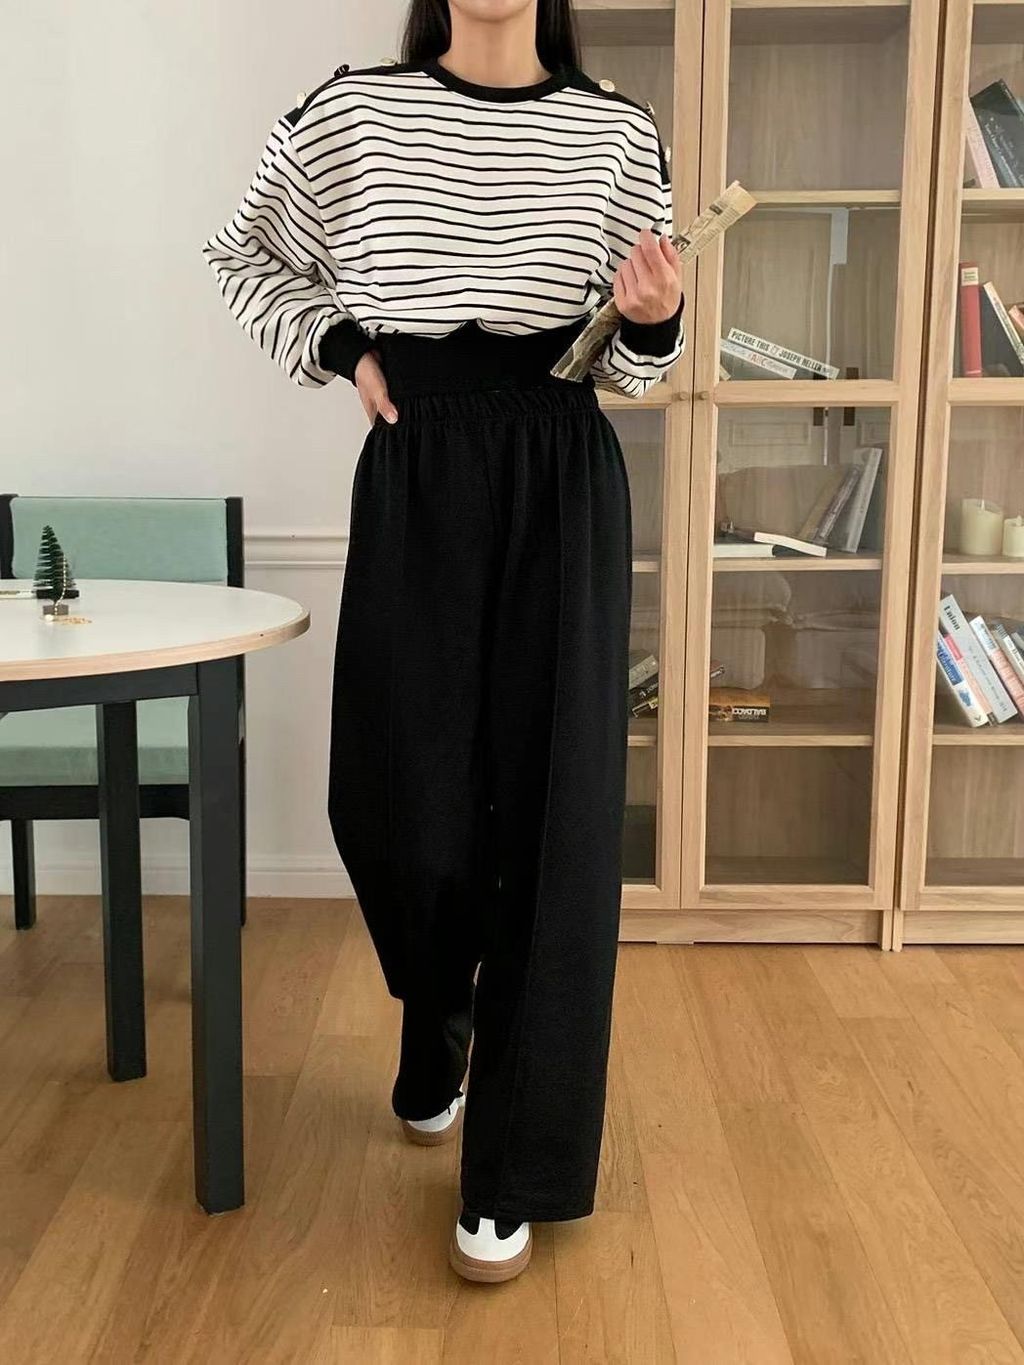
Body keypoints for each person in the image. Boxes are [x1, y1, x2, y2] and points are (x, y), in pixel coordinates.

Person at [201, 0, 685, 1284]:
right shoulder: (354, 110)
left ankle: (509, 1167)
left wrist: (653, 318)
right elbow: (244, 255)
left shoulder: (616, 131)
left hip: (560, 472)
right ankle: (439, 1011)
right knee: (394, 798)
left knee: (550, 819)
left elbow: (638, 371)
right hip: (419, 471)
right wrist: (344, 350)